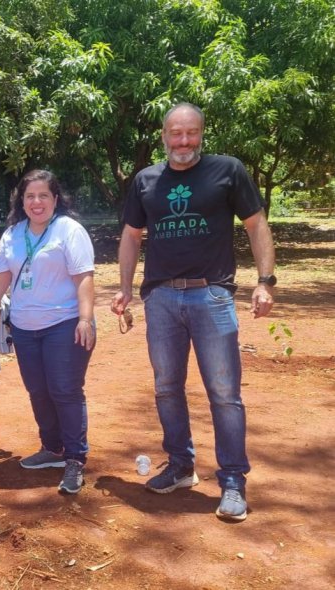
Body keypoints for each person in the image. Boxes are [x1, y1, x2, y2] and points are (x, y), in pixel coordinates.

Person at [110, 102, 276, 522]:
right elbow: (131, 236)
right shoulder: (146, 180)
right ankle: (181, 465)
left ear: (202, 133)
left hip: (212, 296)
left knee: (224, 393)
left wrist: (265, 281)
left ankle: (234, 480)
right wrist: (125, 290)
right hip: (162, 298)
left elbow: (256, 225)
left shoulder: (228, 170)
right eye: (175, 134)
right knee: (167, 386)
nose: (183, 141)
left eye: (191, 133)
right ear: (164, 136)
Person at [0, 170, 96, 494]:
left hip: (64, 324)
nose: (36, 202)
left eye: (43, 195)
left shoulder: (69, 230)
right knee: (38, 390)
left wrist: (85, 319)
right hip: (25, 328)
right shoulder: (12, 235)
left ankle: (74, 459)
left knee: (65, 390)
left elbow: (84, 277)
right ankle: (52, 449)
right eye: (30, 196)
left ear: (56, 199)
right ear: (21, 201)